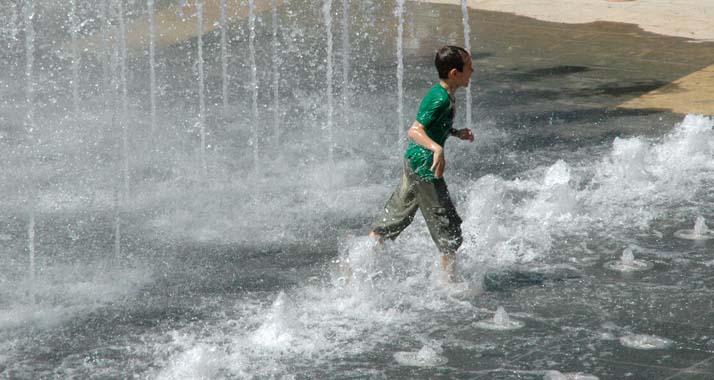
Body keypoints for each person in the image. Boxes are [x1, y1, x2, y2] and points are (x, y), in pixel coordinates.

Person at [369, 45, 474, 282]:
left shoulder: (445, 95)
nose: (473, 71)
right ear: (455, 73)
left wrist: (456, 133)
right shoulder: (439, 99)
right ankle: (450, 285)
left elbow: (435, 127)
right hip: (424, 168)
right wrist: (437, 148)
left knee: (395, 219)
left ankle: (356, 264)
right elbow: (414, 130)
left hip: (414, 163)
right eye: (469, 68)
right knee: (448, 228)